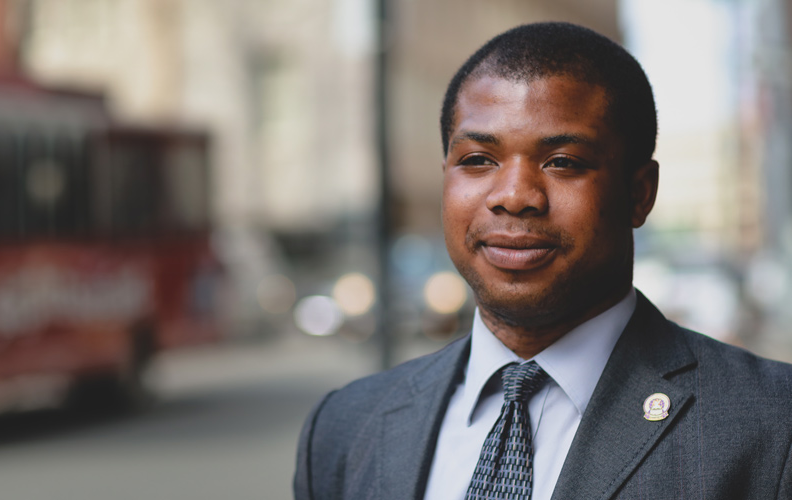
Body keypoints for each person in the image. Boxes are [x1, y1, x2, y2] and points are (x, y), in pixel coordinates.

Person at [293, 22, 792, 500]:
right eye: (477, 160)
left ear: (640, 194)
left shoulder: (771, 424)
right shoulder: (344, 427)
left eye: (563, 162)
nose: (514, 196)